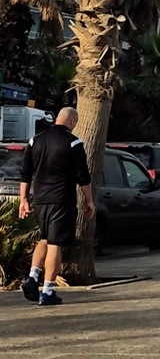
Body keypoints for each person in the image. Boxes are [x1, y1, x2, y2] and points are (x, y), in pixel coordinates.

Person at [17, 107, 94, 307]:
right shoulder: (73, 142)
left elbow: (25, 173)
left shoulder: (36, 140)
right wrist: (89, 200)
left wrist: (23, 199)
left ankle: (33, 278)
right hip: (61, 200)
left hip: (40, 199)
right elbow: (83, 176)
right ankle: (48, 291)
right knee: (55, 244)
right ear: (72, 122)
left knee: (44, 238)